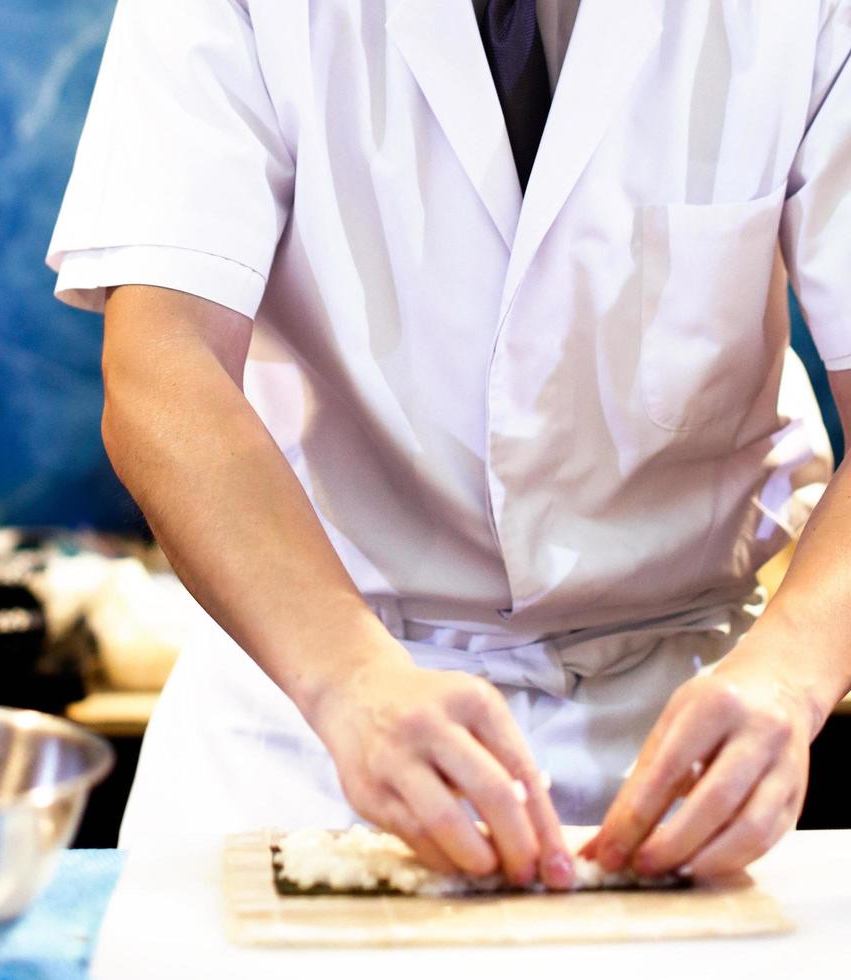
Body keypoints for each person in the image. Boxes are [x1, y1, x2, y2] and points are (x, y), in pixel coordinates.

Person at [48, 0, 851, 888]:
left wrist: (790, 675)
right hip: (306, 717)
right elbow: (164, 369)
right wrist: (346, 678)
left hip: (680, 734)